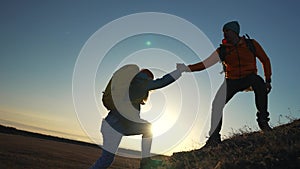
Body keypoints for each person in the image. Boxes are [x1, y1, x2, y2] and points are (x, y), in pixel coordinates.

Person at [178, 21, 272, 146]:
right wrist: (186, 68)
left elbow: (265, 60)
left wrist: (268, 79)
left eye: (227, 31)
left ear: (235, 32)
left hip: (249, 77)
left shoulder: (251, 44)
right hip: (231, 81)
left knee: (259, 84)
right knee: (217, 103)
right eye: (224, 31)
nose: (224, 33)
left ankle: (263, 121)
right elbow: (204, 64)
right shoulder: (222, 50)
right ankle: (214, 138)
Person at [90, 66, 184, 169]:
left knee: (106, 159)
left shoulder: (130, 83)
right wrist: (179, 71)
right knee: (147, 129)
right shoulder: (141, 82)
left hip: (110, 123)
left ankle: (146, 160)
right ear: (148, 78)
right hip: (118, 125)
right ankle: (146, 161)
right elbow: (162, 82)